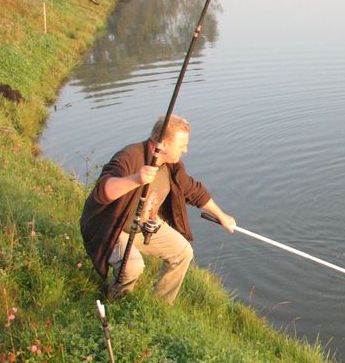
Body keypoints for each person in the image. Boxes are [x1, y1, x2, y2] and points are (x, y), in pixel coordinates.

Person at [80, 115, 236, 305]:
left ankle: (160, 305)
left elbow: (193, 190)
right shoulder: (130, 156)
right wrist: (136, 179)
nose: (185, 150)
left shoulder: (172, 166)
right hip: (112, 228)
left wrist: (221, 216)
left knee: (183, 252)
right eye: (181, 145)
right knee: (133, 266)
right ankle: (115, 303)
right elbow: (103, 190)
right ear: (162, 144)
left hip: (143, 225)